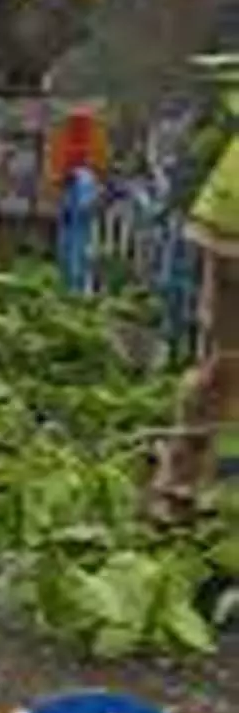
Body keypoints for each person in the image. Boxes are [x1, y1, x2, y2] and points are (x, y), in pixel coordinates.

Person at [148, 55, 239, 523]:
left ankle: (177, 486)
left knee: (225, 361)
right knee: (227, 362)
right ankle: (188, 483)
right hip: (226, 223)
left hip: (221, 221)